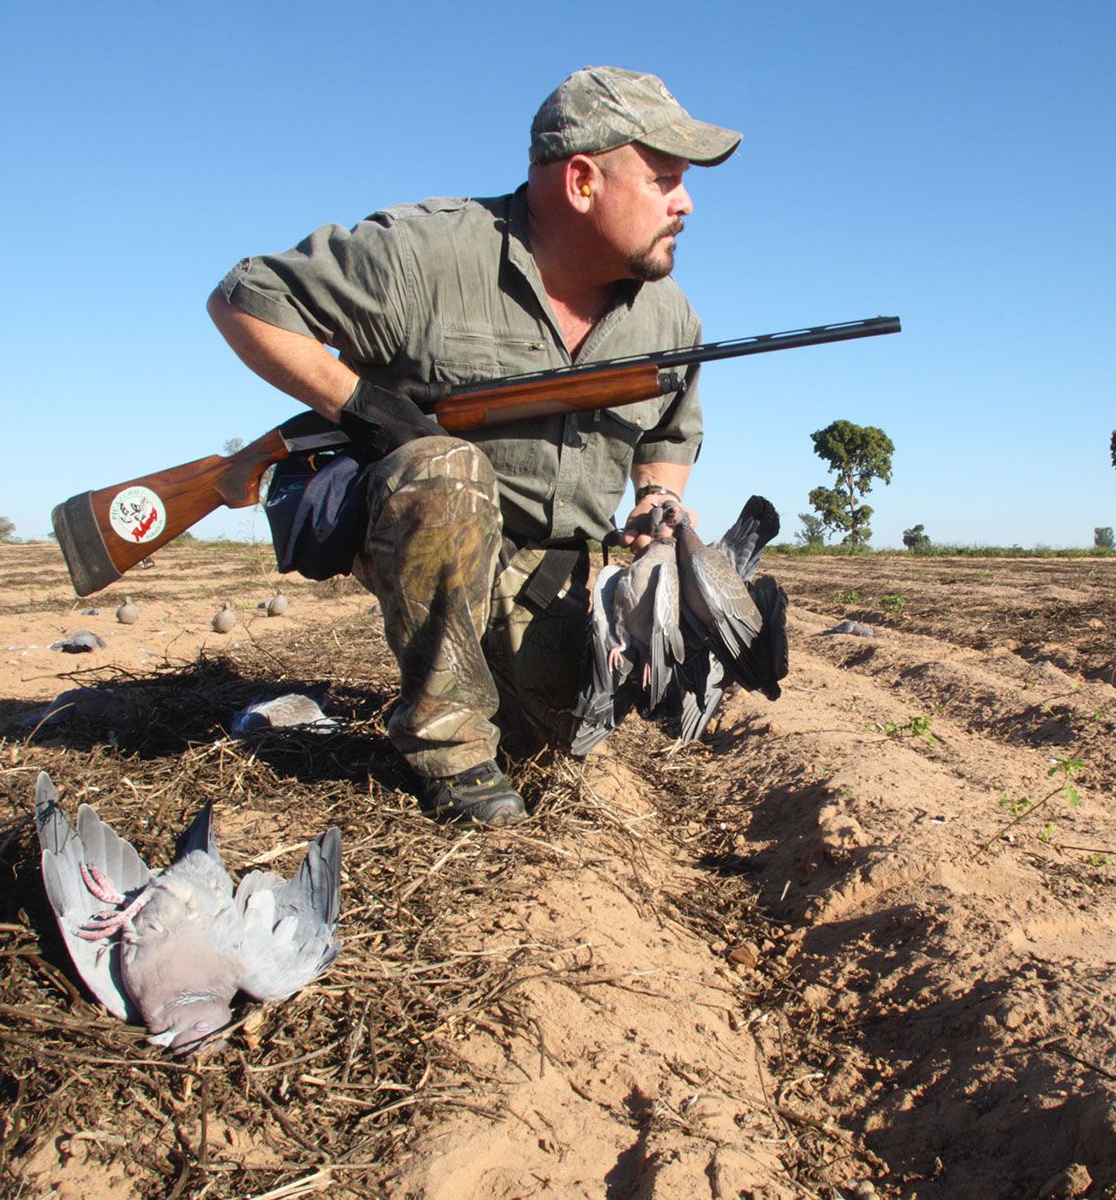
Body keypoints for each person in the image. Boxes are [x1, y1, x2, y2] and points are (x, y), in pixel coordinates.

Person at [207, 66, 740, 828]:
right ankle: (446, 752)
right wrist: (361, 406)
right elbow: (244, 300)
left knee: (545, 744)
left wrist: (658, 500)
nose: (684, 203)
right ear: (583, 181)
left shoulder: (670, 318)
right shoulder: (425, 254)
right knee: (446, 469)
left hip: (546, 572)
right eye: (663, 179)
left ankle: (486, 697)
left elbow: (668, 433)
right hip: (433, 522)